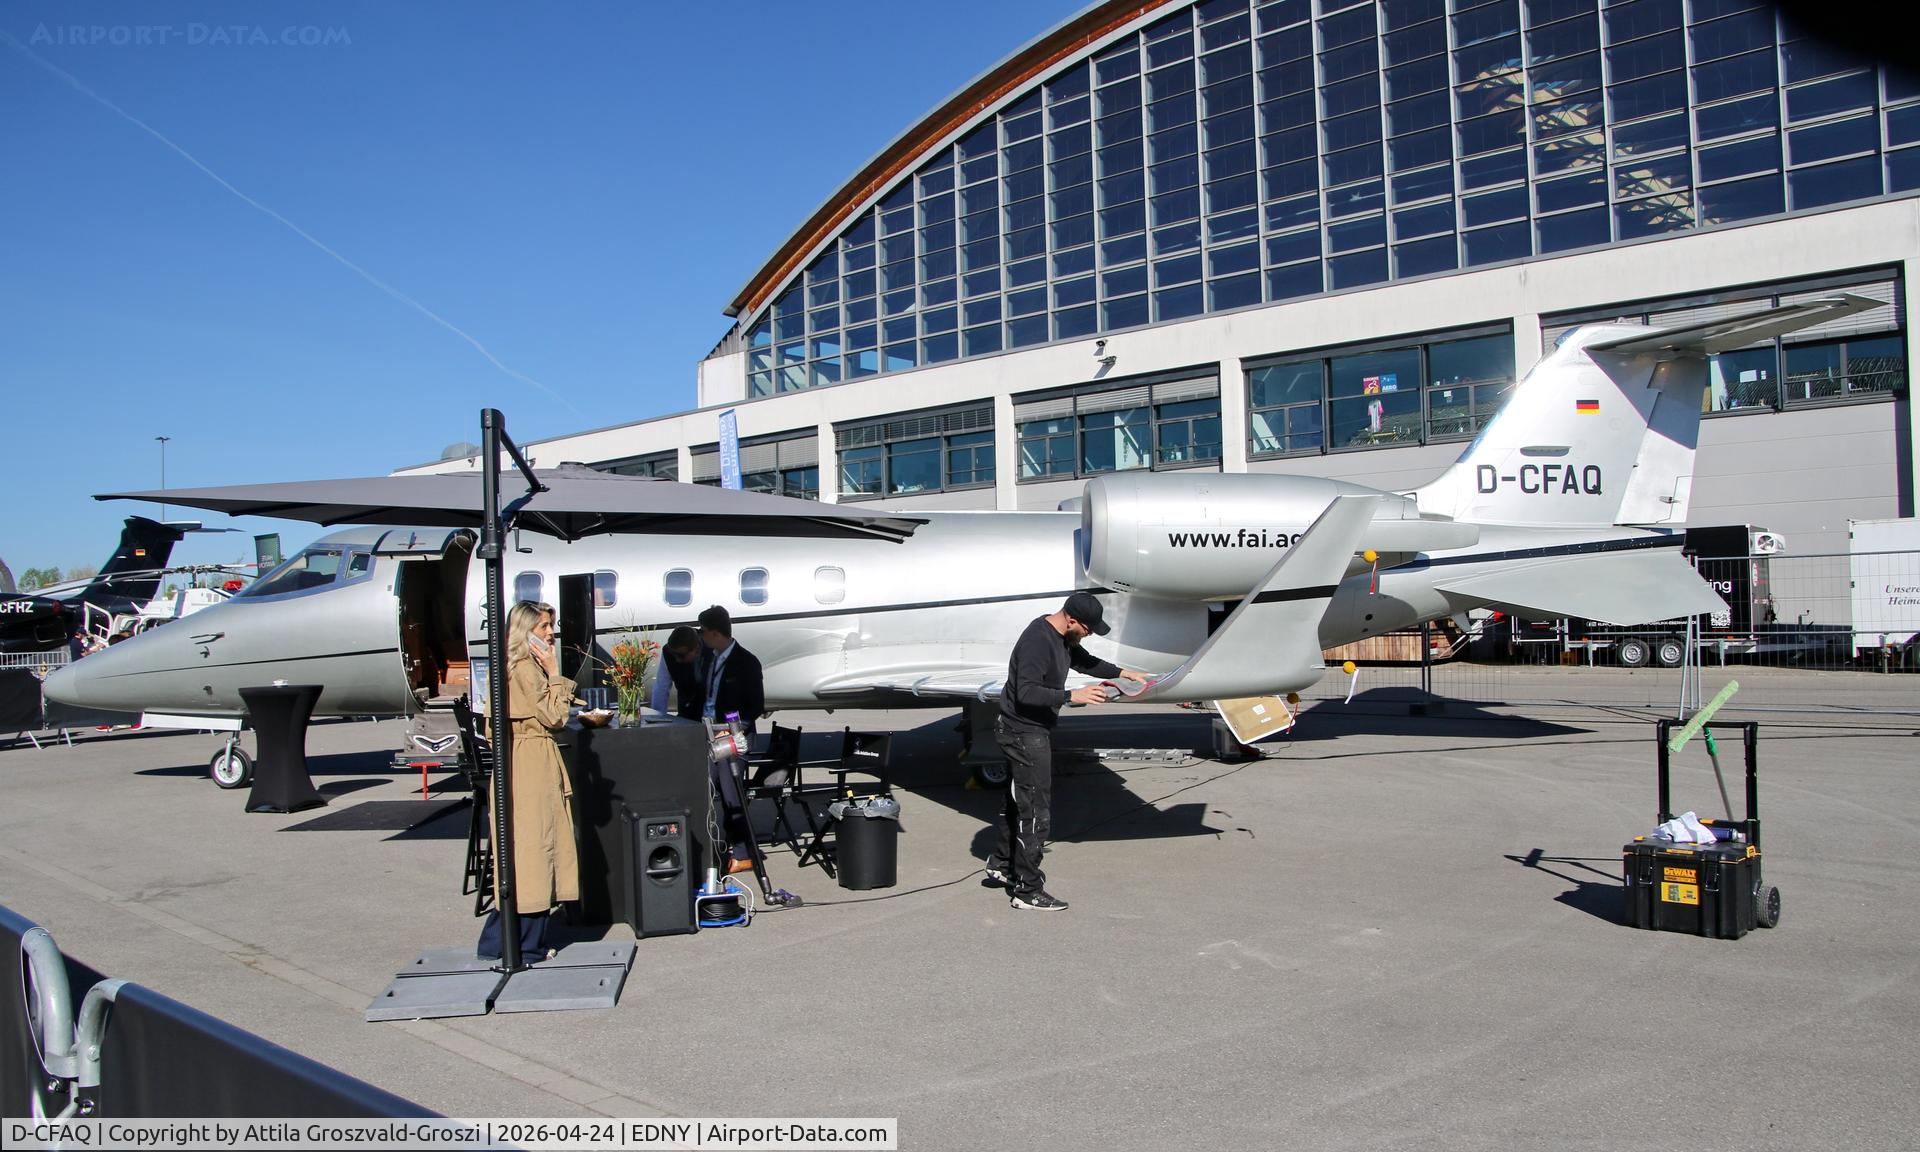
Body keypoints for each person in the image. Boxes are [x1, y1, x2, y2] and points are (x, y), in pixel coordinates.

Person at [987, 591, 1148, 911]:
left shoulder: (1063, 637)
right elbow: (1027, 692)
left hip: (1024, 730)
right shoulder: (1037, 640)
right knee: (1036, 811)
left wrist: (1121, 673)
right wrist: (1073, 695)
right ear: (1072, 620)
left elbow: (1084, 661)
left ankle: (1002, 865)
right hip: (1023, 732)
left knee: (1017, 800)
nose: (1089, 634)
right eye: (1088, 629)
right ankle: (1027, 890)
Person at [476, 601, 579, 966]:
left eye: (550, 625)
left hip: (520, 761)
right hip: (530, 764)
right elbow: (554, 716)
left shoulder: (511, 667)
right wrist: (555, 671)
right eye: (543, 628)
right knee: (536, 850)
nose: (550, 633)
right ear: (526, 633)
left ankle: (498, 938)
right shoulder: (526, 669)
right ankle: (525, 943)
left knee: (524, 850)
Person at [695, 604, 764, 874]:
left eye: (702, 632)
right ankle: (717, 846)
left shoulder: (746, 662)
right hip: (709, 733)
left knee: (731, 794)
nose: (700, 637)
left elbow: (754, 704)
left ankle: (743, 852)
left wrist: (732, 726)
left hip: (733, 738)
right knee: (707, 791)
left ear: (714, 633)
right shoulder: (710, 658)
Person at [648, 625, 703, 720]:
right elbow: (661, 687)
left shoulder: (711, 651)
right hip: (686, 715)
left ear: (696, 649)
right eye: (674, 654)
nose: (677, 660)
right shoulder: (668, 653)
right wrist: (658, 718)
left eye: (681, 655)